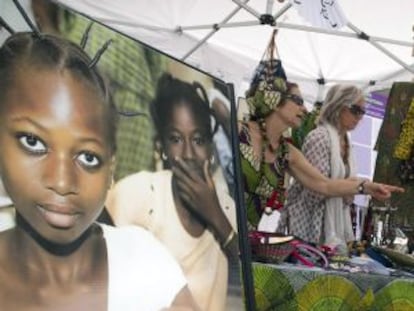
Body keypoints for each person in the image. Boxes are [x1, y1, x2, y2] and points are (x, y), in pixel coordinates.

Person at [0, 27, 198, 310]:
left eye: (88, 158)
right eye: (33, 142)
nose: (61, 181)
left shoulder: (146, 267)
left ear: (111, 169)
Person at [106, 73, 238, 311]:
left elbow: (253, 280)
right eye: (176, 139)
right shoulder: (140, 195)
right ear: (162, 147)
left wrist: (216, 217)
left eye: (198, 140)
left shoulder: (227, 208)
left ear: (210, 148)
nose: (188, 153)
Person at [239, 75, 404, 234]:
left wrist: (366, 187)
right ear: (273, 99)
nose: (304, 109)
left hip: (240, 243)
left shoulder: (287, 152)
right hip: (217, 233)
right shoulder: (237, 131)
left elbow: (324, 185)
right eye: (297, 101)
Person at [282, 84, 367, 251]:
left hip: (331, 229)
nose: (360, 117)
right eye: (356, 110)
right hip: (309, 228)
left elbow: (346, 195)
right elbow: (315, 192)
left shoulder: (347, 143)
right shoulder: (320, 137)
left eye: (363, 112)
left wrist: (349, 190)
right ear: (339, 106)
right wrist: (349, 188)